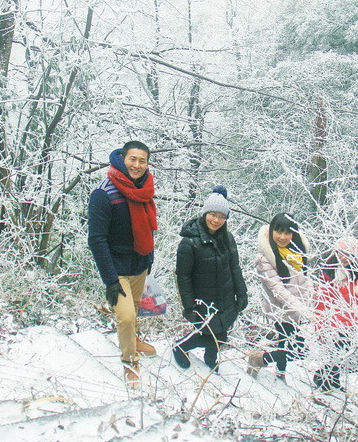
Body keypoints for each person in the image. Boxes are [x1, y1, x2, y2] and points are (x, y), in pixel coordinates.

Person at [87, 141, 158, 389]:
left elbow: (147, 227)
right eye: (132, 159)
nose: (137, 165)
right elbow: (96, 239)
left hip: (140, 264)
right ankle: (130, 362)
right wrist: (110, 279)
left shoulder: (145, 188)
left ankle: (133, 341)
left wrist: (149, 258)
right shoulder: (103, 193)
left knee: (136, 310)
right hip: (117, 270)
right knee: (126, 316)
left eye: (142, 161)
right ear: (122, 158)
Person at [172, 186, 247, 372]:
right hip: (203, 299)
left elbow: (235, 267)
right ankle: (181, 347)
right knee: (209, 332)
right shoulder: (189, 242)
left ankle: (210, 358)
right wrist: (189, 306)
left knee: (221, 334)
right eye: (213, 214)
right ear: (205, 213)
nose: (216, 220)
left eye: (222, 216)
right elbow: (183, 277)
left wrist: (241, 293)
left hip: (226, 294)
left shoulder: (227, 238)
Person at [246, 213, 315, 382]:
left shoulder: (296, 253)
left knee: (285, 344)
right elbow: (276, 289)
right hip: (280, 309)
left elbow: (306, 280)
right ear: (271, 232)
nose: (283, 237)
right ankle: (259, 359)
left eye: (287, 232)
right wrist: (301, 308)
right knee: (296, 349)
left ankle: (280, 373)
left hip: (297, 309)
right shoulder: (265, 258)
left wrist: (311, 302)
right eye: (279, 232)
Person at [311, 236, 358, 392]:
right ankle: (322, 377)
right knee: (336, 351)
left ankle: (333, 380)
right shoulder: (330, 271)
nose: (343, 258)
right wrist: (319, 321)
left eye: (348, 254)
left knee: (344, 352)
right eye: (341, 253)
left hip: (353, 320)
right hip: (334, 321)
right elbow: (322, 299)